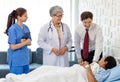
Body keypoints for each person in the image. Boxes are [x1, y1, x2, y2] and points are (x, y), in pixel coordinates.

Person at [5, 7, 32, 74]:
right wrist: (25, 42)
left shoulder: (26, 27)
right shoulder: (13, 29)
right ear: (19, 17)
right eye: (25, 16)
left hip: (25, 60)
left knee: (26, 79)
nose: (27, 17)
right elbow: (13, 47)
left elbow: (29, 42)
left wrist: (26, 42)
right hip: (16, 61)